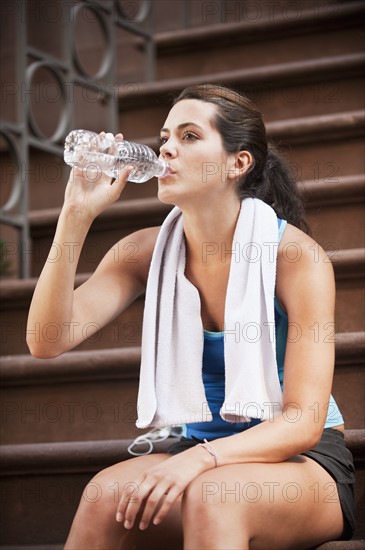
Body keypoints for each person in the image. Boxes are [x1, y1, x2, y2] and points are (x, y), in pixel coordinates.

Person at [27, 84, 356, 550]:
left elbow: (302, 421)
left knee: (213, 497)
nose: (166, 149)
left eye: (189, 136)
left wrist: (200, 460)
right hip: (200, 450)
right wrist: (75, 214)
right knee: (103, 494)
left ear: (237, 163)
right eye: (165, 137)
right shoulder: (144, 252)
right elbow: (46, 340)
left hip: (302, 458)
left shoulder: (296, 258)